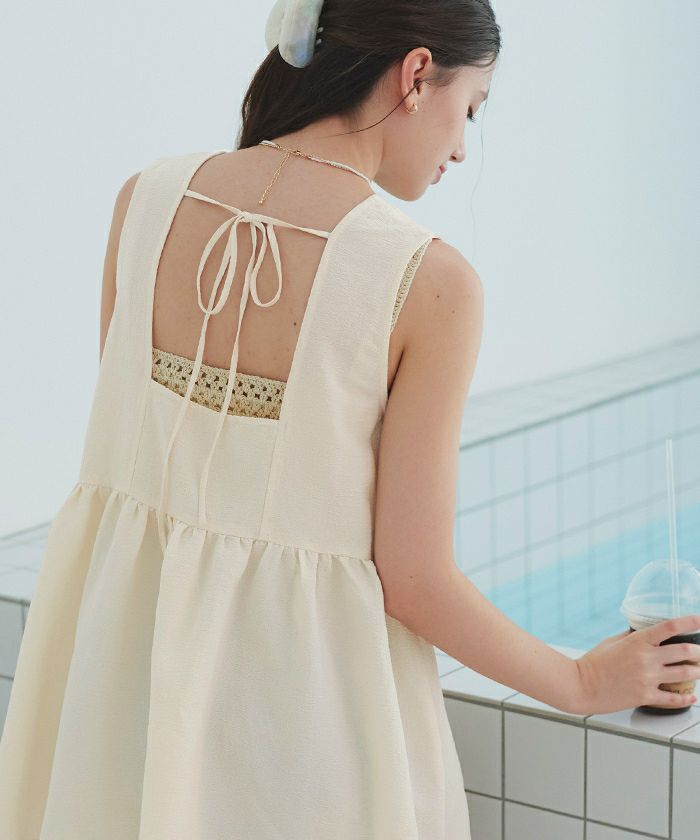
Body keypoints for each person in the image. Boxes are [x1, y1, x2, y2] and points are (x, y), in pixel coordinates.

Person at [2, 0, 699, 838]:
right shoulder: (427, 284)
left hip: (118, 708)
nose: (462, 147)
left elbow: (145, 473)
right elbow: (415, 578)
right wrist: (581, 682)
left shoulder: (142, 202)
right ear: (416, 75)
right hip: (303, 731)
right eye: (470, 109)